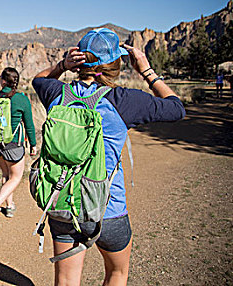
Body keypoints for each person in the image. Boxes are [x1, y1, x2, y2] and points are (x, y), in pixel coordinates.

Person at [32, 28, 185, 286]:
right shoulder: (124, 101)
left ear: (79, 61)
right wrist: (146, 70)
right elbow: (176, 108)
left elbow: (39, 79)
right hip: (108, 211)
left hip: (63, 205)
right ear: (116, 64)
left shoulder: (56, 93)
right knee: (116, 273)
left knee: (66, 281)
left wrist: (62, 65)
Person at [0, 67, 37, 225]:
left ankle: (10, 206)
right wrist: (33, 144)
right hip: (14, 145)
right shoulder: (22, 99)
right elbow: (29, 125)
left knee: (6, 174)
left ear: (4, 81)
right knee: (16, 177)